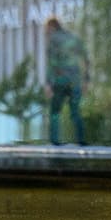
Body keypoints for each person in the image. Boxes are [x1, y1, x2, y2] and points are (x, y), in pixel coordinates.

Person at [43, 16, 89, 145]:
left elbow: (51, 63)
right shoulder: (74, 38)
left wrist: (48, 84)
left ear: (52, 26)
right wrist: (86, 80)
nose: (45, 31)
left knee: (55, 111)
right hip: (75, 81)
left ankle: (55, 142)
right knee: (75, 112)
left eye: (46, 28)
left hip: (60, 80)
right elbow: (86, 58)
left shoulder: (53, 40)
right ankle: (81, 141)